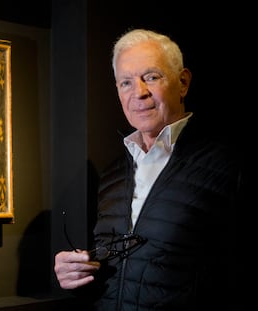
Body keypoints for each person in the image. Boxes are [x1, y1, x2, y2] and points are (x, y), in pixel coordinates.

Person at [54, 28, 243, 310]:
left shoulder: (228, 164)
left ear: (183, 83)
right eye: (126, 83)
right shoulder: (112, 176)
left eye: (151, 77)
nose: (138, 93)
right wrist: (76, 273)